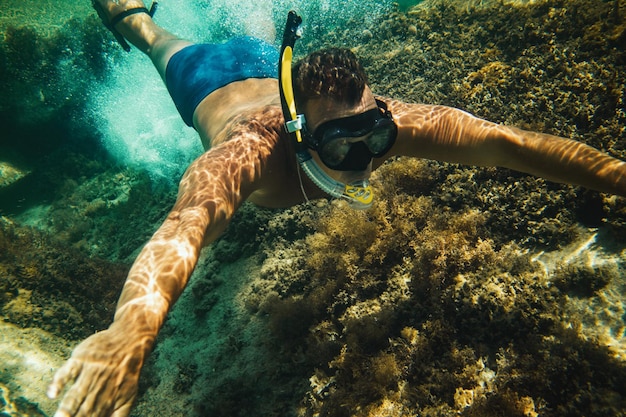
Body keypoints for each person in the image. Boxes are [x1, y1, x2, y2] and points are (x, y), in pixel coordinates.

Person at [48, 1, 626, 416]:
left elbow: (510, 144)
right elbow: (185, 229)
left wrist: (619, 177)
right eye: (341, 147)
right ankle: (123, 8)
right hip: (206, 81)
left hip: (268, 63)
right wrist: (130, 332)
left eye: (373, 139)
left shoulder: (385, 126)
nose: (361, 164)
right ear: (301, 135)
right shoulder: (246, 153)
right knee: (152, 37)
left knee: (261, 22)